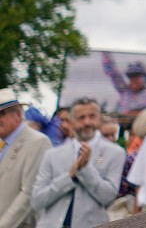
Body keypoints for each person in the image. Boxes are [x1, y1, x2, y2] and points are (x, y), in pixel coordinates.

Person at [31, 97, 125, 228]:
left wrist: (85, 169)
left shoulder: (115, 153)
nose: (87, 122)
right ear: (71, 121)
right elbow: (37, 201)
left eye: (92, 116)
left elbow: (108, 197)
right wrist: (69, 176)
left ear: (99, 119)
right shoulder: (53, 154)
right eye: (81, 117)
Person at [0, 89, 53, 228]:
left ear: (18, 114)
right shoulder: (3, 142)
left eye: (1, 114)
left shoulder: (38, 142)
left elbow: (29, 194)